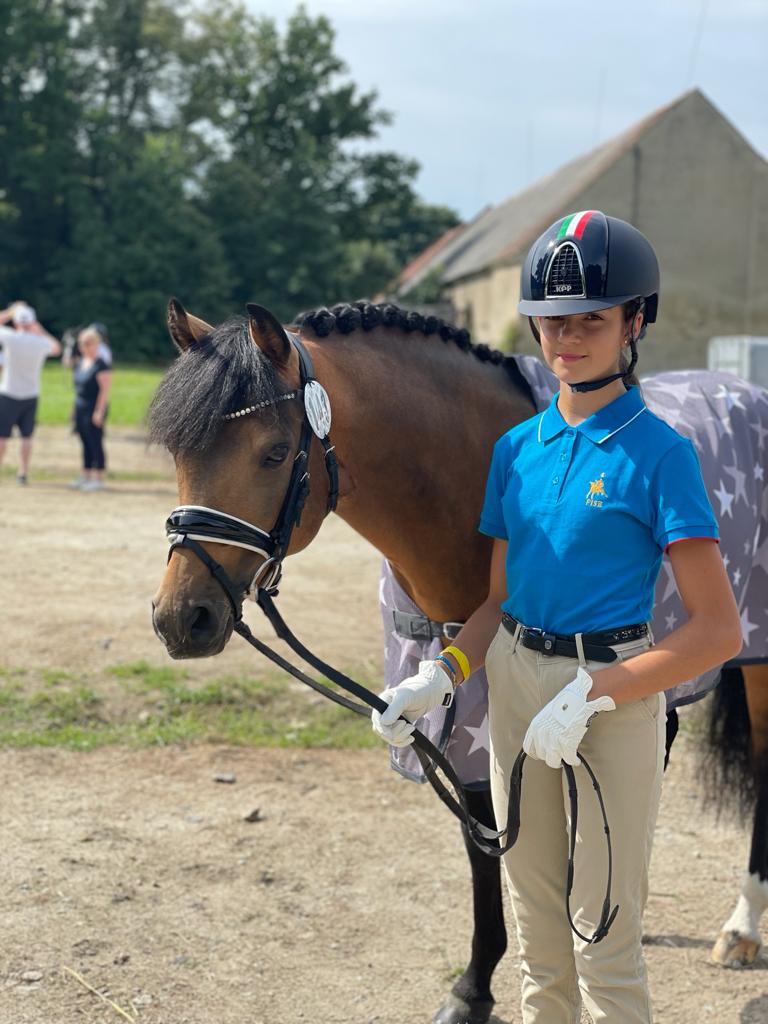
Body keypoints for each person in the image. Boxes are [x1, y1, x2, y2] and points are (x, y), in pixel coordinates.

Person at [371, 211, 742, 1022]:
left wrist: (594, 694)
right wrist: (441, 677)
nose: (567, 338)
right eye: (553, 320)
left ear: (634, 322)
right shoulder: (515, 450)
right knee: (538, 936)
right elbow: (499, 602)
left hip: (611, 689)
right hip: (514, 677)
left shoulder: (661, 454)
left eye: (591, 320)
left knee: (602, 940)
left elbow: (718, 631)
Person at [0, 302, 62, 484]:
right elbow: (57, 348)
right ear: (32, 322)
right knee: (26, 437)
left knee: (2, 436)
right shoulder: (40, 343)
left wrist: (10, 312)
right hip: (31, 394)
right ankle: (23, 473)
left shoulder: (11, 337)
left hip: (8, 393)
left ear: (16, 322)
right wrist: (38, 328)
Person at [71, 325, 112, 490]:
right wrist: (74, 410)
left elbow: (104, 391)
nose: (84, 347)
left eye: (87, 343)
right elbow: (78, 389)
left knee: (95, 442)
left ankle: (98, 478)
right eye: (81, 343)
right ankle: (86, 475)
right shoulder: (81, 362)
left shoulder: (102, 365)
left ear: (96, 344)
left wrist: (99, 412)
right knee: (84, 441)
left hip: (94, 408)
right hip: (80, 406)